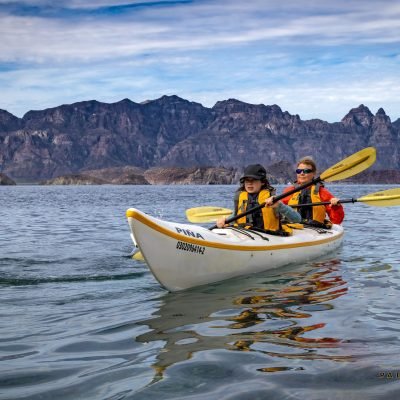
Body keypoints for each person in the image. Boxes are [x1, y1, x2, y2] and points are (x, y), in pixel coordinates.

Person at [216, 164, 301, 233]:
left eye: (253, 180)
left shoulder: (272, 200)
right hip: (245, 234)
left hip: (269, 235)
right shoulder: (240, 198)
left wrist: (279, 205)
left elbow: (297, 219)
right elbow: (235, 217)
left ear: (263, 182)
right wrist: (225, 221)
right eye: (247, 180)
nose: (249, 183)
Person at [282, 156, 344, 226]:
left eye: (306, 171)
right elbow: (278, 211)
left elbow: (336, 221)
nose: (302, 173)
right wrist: (273, 202)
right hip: (293, 228)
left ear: (314, 173)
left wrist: (336, 207)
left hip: (316, 230)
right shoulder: (289, 191)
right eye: (299, 171)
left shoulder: (322, 192)